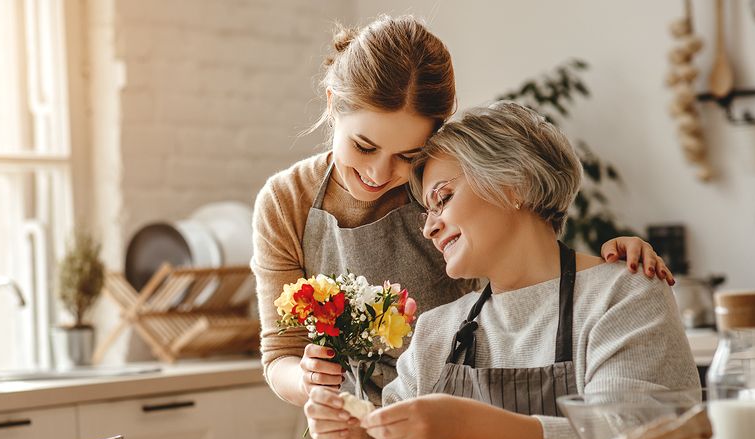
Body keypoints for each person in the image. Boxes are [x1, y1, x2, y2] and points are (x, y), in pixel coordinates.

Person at [252, 14, 673, 410]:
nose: (379, 173)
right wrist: (311, 381)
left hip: (461, 418)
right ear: (332, 105)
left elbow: (526, 275)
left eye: (408, 155)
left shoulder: (443, 183)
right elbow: (280, 354)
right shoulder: (286, 202)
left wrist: (605, 267)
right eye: (363, 146)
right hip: (359, 431)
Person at [303, 102, 701, 439]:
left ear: (514, 184)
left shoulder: (623, 295)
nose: (428, 226)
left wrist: (463, 422)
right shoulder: (436, 331)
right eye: (427, 210)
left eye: (443, 198)